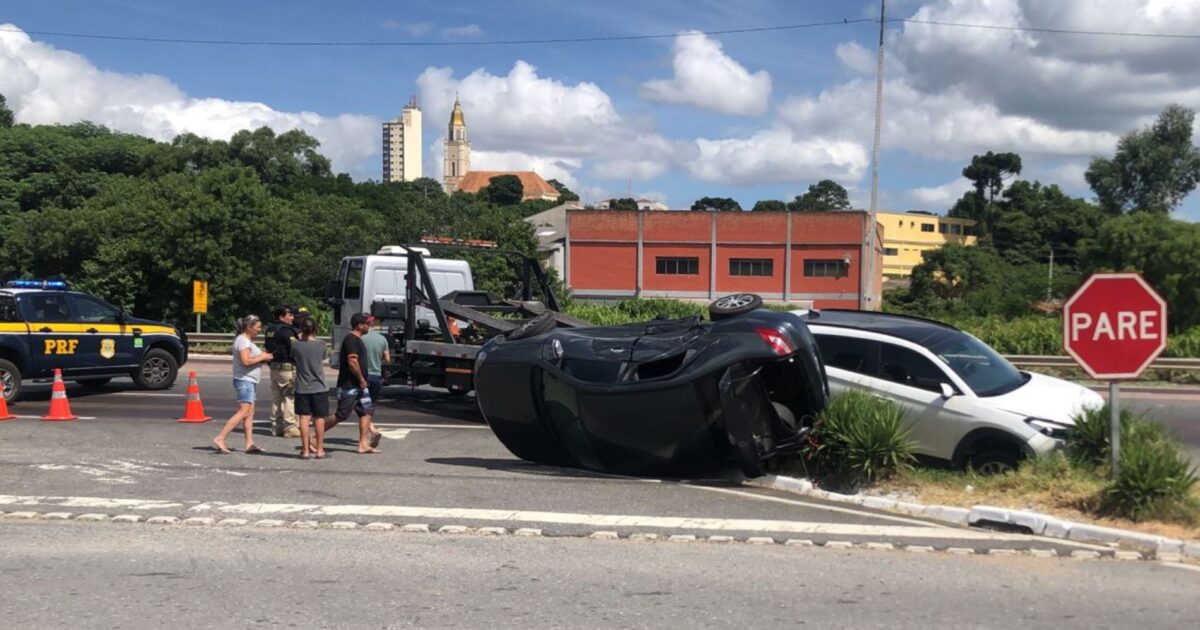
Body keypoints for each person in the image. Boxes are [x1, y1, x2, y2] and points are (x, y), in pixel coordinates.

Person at [212, 315, 273, 454]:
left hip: (249, 380)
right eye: (257, 327)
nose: (259, 330)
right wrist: (262, 357)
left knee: (250, 413)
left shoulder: (246, 341)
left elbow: (250, 359)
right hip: (244, 380)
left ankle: (249, 443)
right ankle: (220, 437)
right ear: (249, 327)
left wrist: (261, 358)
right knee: (244, 411)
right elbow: (245, 361)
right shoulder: (243, 341)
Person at [321, 313, 380, 454]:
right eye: (367, 323)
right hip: (350, 385)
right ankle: (314, 435)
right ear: (360, 325)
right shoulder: (351, 339)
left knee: (366, 412)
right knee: (342, 414)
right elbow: (352, 362)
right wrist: (361, 379)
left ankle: (363, 444)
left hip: (360, 386)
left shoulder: (358, 339)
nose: (369, 326)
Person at [291, 315, 329, 459]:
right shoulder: (321, 344)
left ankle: (305, 449)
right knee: (319, 418)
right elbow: (323, 358)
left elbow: (293, 359)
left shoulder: (296, 345)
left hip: (302, 386)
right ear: (315, 329)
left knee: (304, 418)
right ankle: (320, 449)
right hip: (319, 385)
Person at [264, 306, 299, 438]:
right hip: (287, 368)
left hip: (274, 367)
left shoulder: (270, 330)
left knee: (276, 398)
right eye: (289, 315)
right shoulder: (286, 331)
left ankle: (276, 427)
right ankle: (290, 427)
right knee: (289, 397)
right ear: (281, 317)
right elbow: (294, 348)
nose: (292, 318)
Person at [359, 315, 389, 448]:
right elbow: (387, 359)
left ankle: (371, 431)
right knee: (370, 406)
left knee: (362, 406)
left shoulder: (361, 339)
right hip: (376, 375)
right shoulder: (383, 339)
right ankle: (372, 430)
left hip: (364, 376)